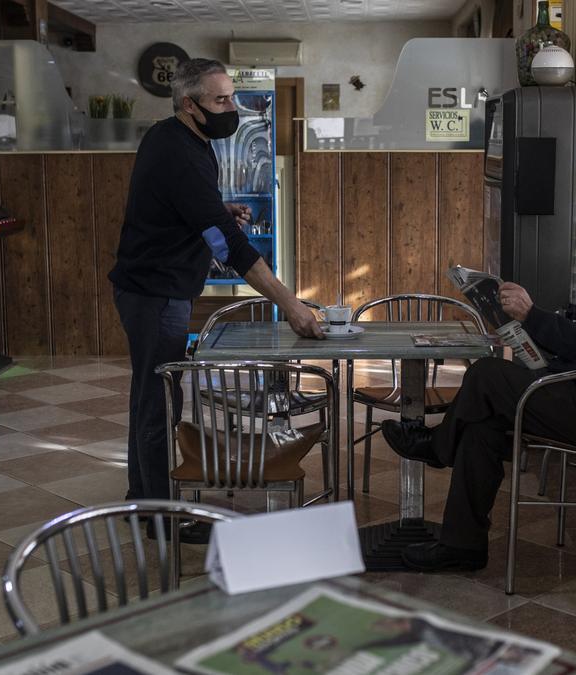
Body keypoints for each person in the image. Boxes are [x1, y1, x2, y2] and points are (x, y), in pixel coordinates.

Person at [380, 164, 576, 571]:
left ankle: (438, 448)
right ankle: (462, 546)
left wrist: (531, 316)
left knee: (485, 375)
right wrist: (526, 328)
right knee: (482, 423)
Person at [109, 58, 322, 543]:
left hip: (151, 286)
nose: (234, 108)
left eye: (233, 96)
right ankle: (161, 515)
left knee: (151, 394)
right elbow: (231, 245)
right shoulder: (181, 153)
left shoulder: (175, 137)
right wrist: (291, 305)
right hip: (155, 292)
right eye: (222, 99)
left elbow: (179, 204)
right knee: (160, 400)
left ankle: (144, 502)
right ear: (189, 104)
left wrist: (215, 207)